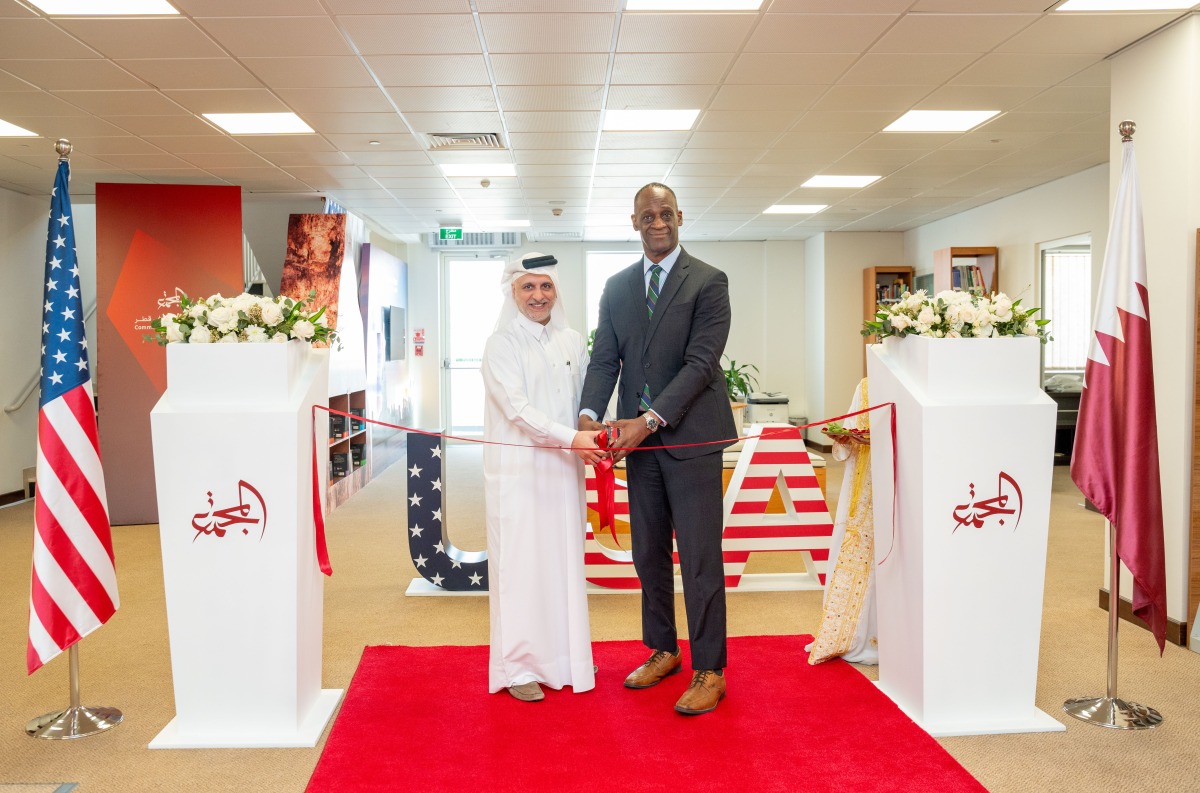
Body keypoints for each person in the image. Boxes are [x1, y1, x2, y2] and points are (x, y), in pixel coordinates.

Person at [579, 183, 737, 715]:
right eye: (647, 215)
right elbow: (605, 361)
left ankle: (710, 669)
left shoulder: (710, 282)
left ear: (680, 217)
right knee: (648, 555)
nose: (657, 222)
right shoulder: (618, 287)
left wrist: (645, 422)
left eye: (665, 213)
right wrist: (586, 420)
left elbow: (700, 365)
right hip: (639, 451)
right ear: (634, 223)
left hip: (691, 441)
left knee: (698, 558)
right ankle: (664, 649)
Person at [481, 252, 606, 702]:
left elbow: (586, 401)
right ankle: (519, 669)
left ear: (557, 292)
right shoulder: (501, 344)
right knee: (521, 567)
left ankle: (567, 657)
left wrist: (594, 431)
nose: (538, 296)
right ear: (513, 292)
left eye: (546, 287)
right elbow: (517, 410)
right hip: (519, 476)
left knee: (563, 562)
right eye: (528, 287)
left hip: (563, 473)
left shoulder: (572, 340)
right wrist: (575, 439)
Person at [806, 378, 878, 665]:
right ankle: (851, 632)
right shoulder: (864, 387)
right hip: (862, 482)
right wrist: (845, 438)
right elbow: (851, 433)